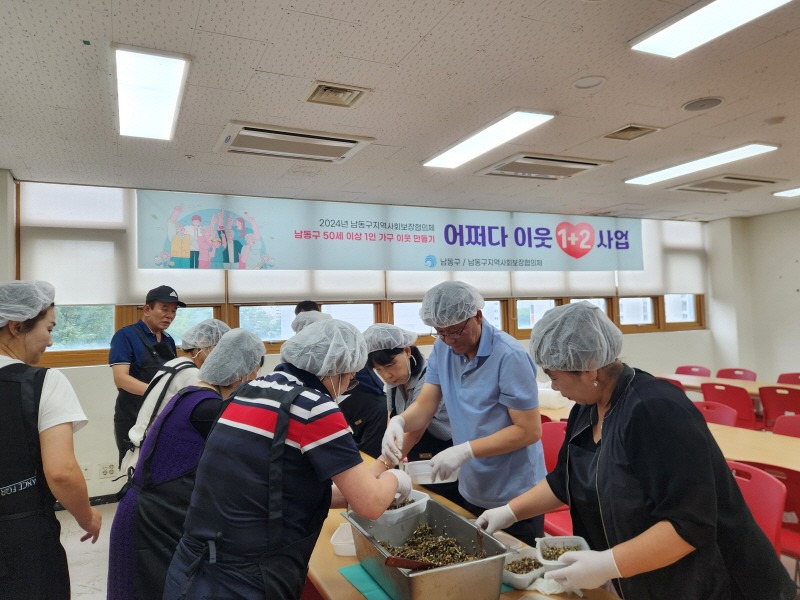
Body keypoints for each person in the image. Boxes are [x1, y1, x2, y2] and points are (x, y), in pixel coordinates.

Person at [475, 302, 796, 599]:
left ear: (589, 370)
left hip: (718, 583)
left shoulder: (655, 411)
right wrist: (508, 512)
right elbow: (565, 480)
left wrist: (607, 564)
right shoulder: (586, 408)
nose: (553, 386)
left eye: (554, 375)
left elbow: (690, 524)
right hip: (649, 577)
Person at [164, 319, 412, 600]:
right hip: (248, 577)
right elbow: (371, 504)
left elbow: (278, 492)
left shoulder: (248, 392)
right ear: (333, 369)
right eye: (349, 378)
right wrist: (397, 479)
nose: (345, 388)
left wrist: (366, 482)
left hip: (192, 565)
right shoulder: (314, 406)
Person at [381, 281, 546, 545]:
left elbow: (528, 430)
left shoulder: (509, 356)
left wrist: (465, 450)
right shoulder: (443, 349)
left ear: (477, 316)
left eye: (455, 331)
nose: (449, 340)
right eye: (441, 332)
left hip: (514, 490)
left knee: (518, 564)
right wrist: (400, 421)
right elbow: (425, 405)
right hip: (471, 483)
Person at [108, 328, 265, 600]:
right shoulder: (208, 408)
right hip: (152, 520)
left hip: (147, 509)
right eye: (254, 375)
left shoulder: (191, 393)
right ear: (243, 373)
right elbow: (245, 462)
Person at [0, 280, 102, 598]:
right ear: (17, 326)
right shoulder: (43, 383)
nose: (51, 341)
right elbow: (61, 471)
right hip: (22, 538)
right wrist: (88, 516)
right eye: (49, 328)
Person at [364, 323, 463, 504]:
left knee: (453, 505)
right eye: (379, 370)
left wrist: (378, 468)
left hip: (446, 454)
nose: (387, 375)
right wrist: (388, 454)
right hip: (420, 462)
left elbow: (415, 432)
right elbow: (391, 420)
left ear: (407, 351)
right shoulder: (393, 383)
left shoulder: (429, 377)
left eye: (390, 365)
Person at [120, 318, 231, 473]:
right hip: (151, 458)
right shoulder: (193, 375)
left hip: (139, 450)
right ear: (202, 343)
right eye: (217, 349)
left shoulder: (174, 363)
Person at [109, 285, 184, 466]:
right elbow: (121, 378)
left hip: (161, 418)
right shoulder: (125, 336)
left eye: (174, 311)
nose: (170, 315)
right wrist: (159, 393)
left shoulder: (168, 340)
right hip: (133, 418)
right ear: (147, 309)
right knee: (135, 470)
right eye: (164, 309)